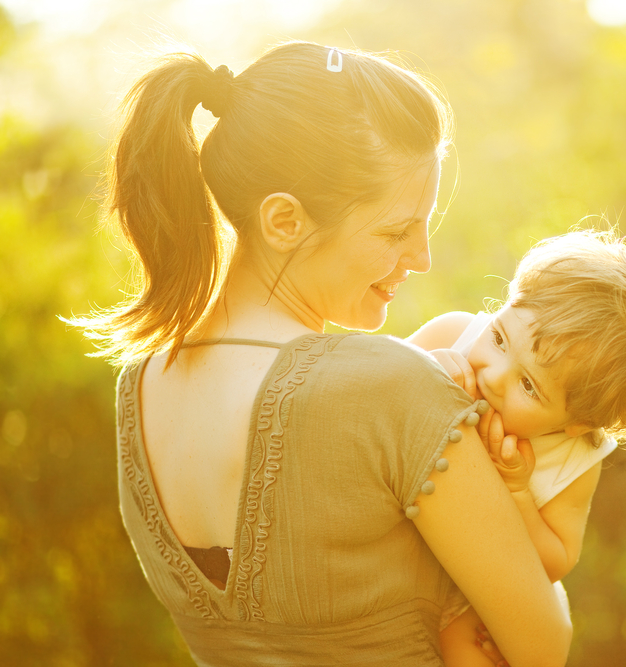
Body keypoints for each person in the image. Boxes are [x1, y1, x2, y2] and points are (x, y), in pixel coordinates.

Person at [73, 42, 571, 667]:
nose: (422, 257)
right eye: (396, 230)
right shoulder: (393, 388)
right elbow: (543, 645)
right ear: (284, 221)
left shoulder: (141, 385)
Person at [406, 230, 626, 666]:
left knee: (471, 646)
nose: (493, 375)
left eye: (528, 385)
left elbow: (555, 563)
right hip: (393, 543)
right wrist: (422, 374)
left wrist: (518, 492)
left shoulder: (574, 458)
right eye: (500, 339)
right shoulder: (453, 337)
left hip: (463, 593)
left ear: (576, 423)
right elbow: (365, 392)